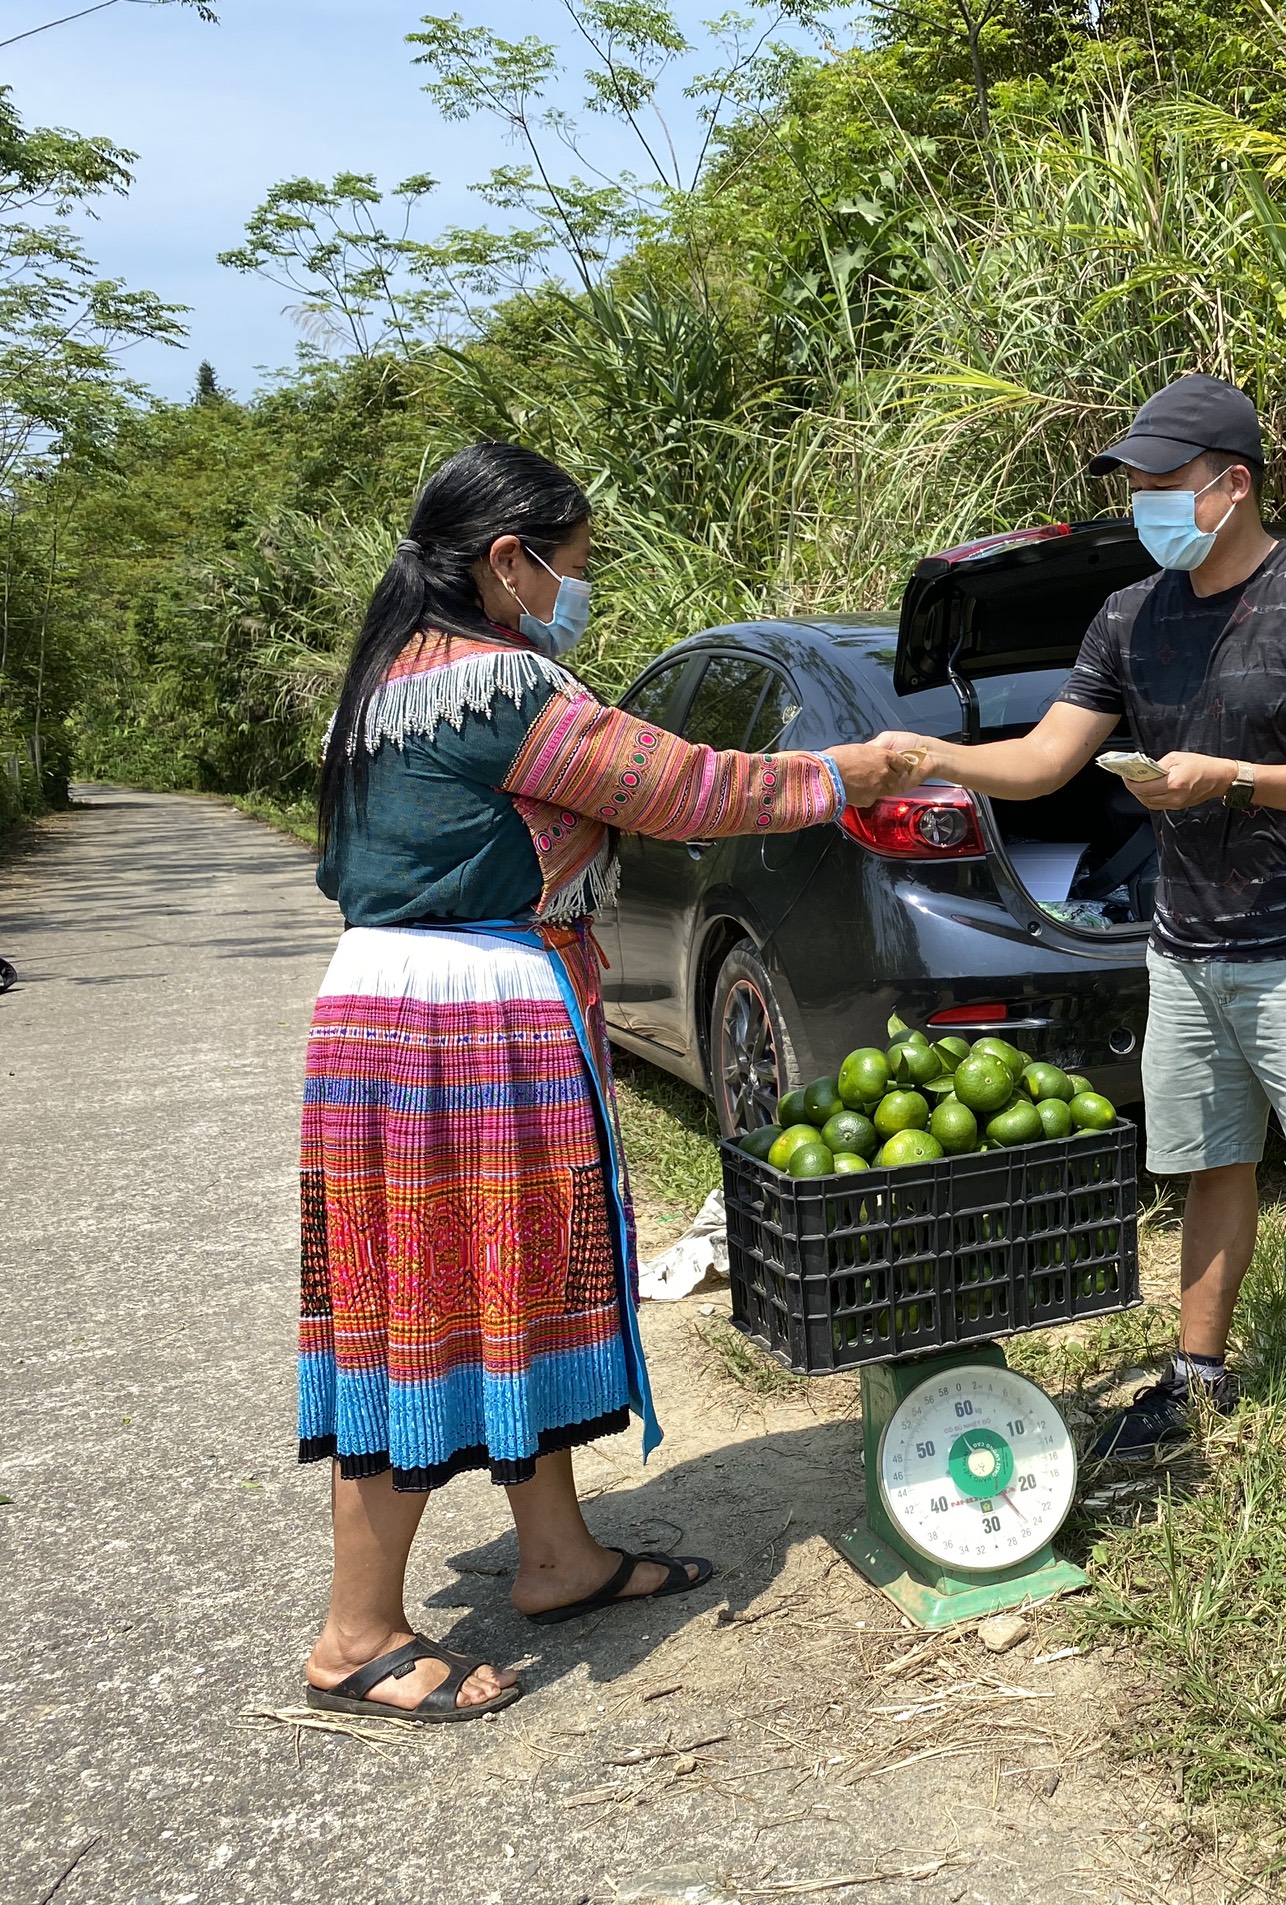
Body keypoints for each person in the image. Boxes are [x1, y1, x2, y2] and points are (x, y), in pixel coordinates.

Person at [297, 441, 913, 1721]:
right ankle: (355, 1634)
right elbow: (682, 784)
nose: (580, 589)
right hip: (459, 1024)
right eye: (572, 565)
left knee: (510, 1280)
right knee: (433, 1302)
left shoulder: (385, 683)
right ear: (508, 560)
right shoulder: (503, 684)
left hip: (395, 1003)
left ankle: (558, 1555)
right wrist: (845, 773)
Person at [871, 374, 1286, 1503]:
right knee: (1209, 1165)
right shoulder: (1131, 616)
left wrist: (1231, 777)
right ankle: (1196, 1374)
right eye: (1134, 485)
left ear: (1232, 486)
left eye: (1161, 484)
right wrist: (933, 758)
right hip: (1185, 949)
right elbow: (1045, 759)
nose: (1143, 502)